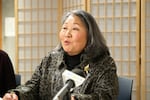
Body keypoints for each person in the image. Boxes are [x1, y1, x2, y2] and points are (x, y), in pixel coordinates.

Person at [3, 10, 119, 100]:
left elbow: (106, 96)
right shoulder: (51, 59)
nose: (67, 34)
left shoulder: (104, 63)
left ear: (89, 35)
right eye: (64, 28)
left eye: (75, 29)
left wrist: (75, 99)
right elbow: (33, 87)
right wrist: (17, 95)